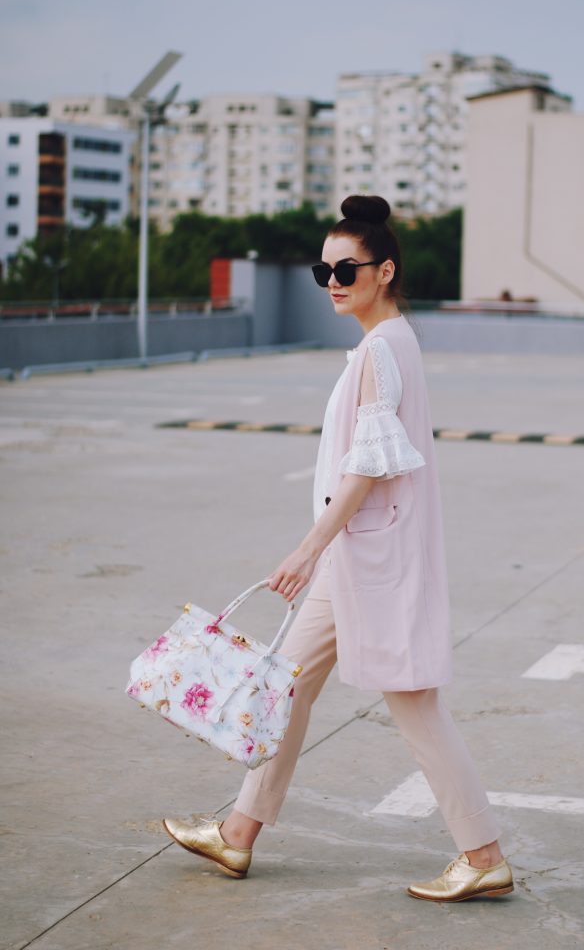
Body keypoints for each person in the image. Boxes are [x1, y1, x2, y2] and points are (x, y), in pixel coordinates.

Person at [164, 195, 514, 903]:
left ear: (384, 270)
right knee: (284, 690)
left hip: (370, 559)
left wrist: (306, 549)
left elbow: (369, 466)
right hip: (355, 558)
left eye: (346, 267)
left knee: (415, 704)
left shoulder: (383, 350)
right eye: (322, 268)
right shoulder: (387, 342)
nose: (332, 279)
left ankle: (483, 855)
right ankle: (237, 834)